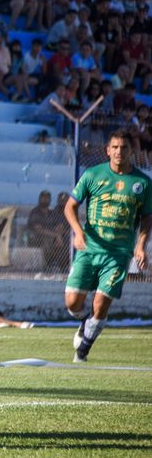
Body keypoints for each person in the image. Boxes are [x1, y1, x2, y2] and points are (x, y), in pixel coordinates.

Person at [63, 129, 152, 363]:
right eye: (115, 147)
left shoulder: (142, 182)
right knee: (72, 303)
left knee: (100, 303)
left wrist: (141, 246)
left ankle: (83, 351)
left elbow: (147, 217)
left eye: (124, 147)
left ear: (131, 151)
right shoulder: (93, 175)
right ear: (107, 150)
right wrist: (78, 232)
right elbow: (69, 207)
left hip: (118, 254)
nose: (119, 151)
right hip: (89, 249)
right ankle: (85, 322)